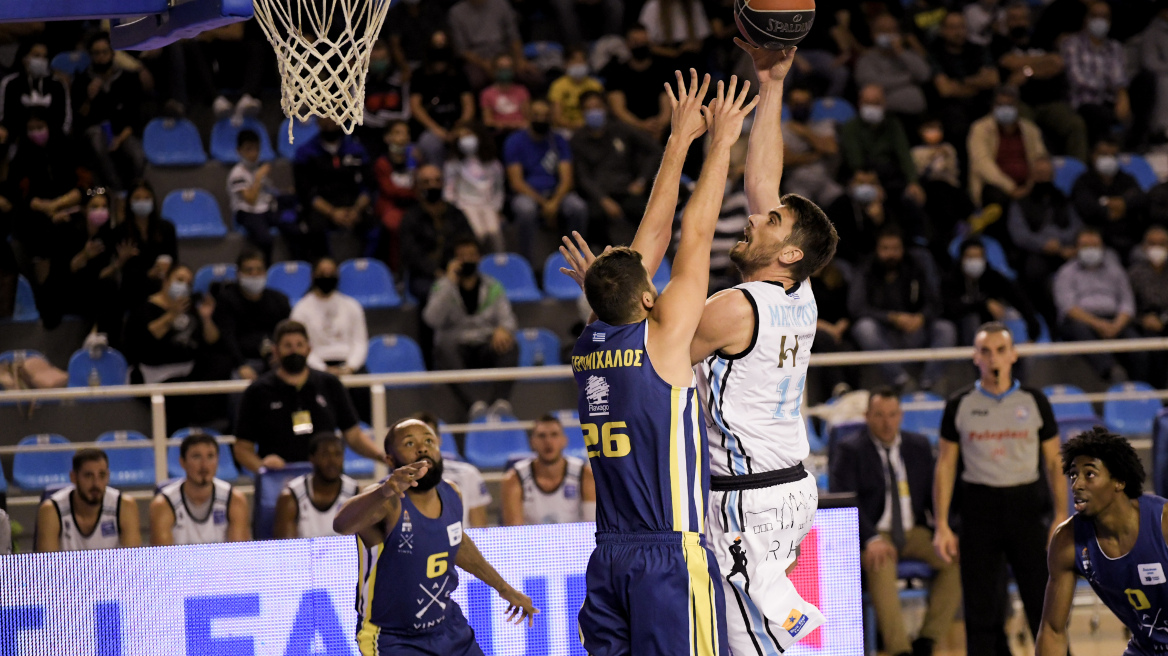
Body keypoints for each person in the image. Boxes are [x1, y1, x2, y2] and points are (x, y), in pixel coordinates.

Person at [563, 54, 841, 653]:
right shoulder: (800, 293)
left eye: (770, 223)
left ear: (788, 252)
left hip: (738, 503)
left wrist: (606, 287)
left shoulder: (723, 311)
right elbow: (726, 209)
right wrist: (770, 87)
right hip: (775, 489)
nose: (756, 217)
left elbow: (644, 278)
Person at [566, 69, 756, 656]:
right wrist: (718, 140)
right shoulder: (663, 338)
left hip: (609, 557)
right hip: (669, 553)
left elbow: (643, 247)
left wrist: (677, 142)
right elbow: (692, 236)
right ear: (648, 299)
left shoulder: (588, 343)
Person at [332, 418, 537, 653]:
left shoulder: (452, 492)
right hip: (394, 637)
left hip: (448, 627)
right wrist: (384, 490)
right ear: (390, 460)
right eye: (409, 443)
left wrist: (504, 588)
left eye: (429, 440)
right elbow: (341, 524)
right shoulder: (384, 501)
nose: (422, 447)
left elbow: (456, 541)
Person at [933, 322, 1067, 655]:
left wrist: (1062, 515)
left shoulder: (1034, 401)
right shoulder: (959, 404)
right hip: (979, 507)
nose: (994, 357)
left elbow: (1054, 462)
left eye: (1001, 350)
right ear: (975, 356)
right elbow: (946, 465)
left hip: (1027, 506)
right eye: (986, 351)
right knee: (981, 605)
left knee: (1042, 597)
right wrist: (942, 525)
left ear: (1014, 355)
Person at [830, 389, 961, 656]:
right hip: (875, 532)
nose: (887, 423)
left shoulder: (919, 446)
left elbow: (932, 495)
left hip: (914, 531)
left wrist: (945, 529)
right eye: (879, 416)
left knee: (954, 559)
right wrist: (870, 539)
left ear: (901, 416)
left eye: (892, 415)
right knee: (880, 562)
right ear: (867, 417)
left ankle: (927, 641)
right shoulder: (850, 450)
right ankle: (900, 650)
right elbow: (846, 500)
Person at [1036, 427, 1168, 655]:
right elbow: (1052, 630)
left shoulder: (1164, 523)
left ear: (1119, 481)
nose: (1076, 485)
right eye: (1073, 474)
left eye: (1089, 474)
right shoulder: (1067, 540)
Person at [234, 320, 385, 472]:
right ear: (276, 351)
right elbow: (242, 448)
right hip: (280, 478)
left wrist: (382, 456)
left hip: (325, 478)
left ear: (309, 349)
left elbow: (354, 436)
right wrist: (263, 469)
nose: (294, 351)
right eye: (288, 346)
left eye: (299, 345)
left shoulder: (330, 384)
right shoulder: (257, 391)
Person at [849, 229, 957, 390]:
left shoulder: (916, 266)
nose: (891, 254)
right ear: (877, 250)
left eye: (895, 248)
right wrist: (891, 317)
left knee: (946, 329)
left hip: (917, 330)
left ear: (903, 249)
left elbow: (935, 302)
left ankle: (929, 382)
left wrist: (921, 317)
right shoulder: (866, 270)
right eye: (885, 248)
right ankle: (900, 380)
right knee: (864, 328)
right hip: (884, 335)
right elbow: (856, 307)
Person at [422, 236, 518, 409]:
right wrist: (449, 283)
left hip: (484, 346)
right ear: (454, 260)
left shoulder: (493, 286)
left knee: (511, 345)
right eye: (462, 256)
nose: (467, 260)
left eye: (471, 255)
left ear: (479, 258)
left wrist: (504, 329)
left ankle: (500, 402)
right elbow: (431, 319)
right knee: (442, 348)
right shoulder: (442, 287)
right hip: (456, 349)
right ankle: (474, 405)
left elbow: (508, 318)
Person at [1053, 227, 1146, 382]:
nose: (1090, 250)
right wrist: (1098, 324)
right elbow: (1068, 307)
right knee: (1079, 329)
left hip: (1114, 320)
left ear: (1102, 247)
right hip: (1082, 320)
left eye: (1094, 245)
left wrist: (1116, 325)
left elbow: (1127, 303)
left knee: (1139, 346)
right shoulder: (1066, 272)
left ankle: (1141, 389)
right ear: (1076, 248)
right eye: (1085, 246)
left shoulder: (1115, 270)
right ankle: (1110, 371)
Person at [569, 90, 662, 245]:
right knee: (593, 216)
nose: (594, 112)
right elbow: (583, 176)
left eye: (597, 107)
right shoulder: (577, 139)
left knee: (648, 211)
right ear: (582, 112)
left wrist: (641, 180)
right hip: (598, 195)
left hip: (627, 190)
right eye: (588, 108)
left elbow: (654, 151)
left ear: (605, 108)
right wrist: (603, 199)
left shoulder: (621, 129)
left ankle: (650, 258)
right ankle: (600, 261)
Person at [503, 99, 588, 262]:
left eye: (545, 115)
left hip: (556, 193)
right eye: (536, 115)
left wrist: (554, 202)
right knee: (525, 209)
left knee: (578, 207)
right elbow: (517, 182)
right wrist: (545, 204)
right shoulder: (514, 141)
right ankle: (526, 261)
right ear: (528, 116)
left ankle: (576, 259)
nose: (541, 119)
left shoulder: (559, 140)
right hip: (528, 194)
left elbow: (567, 179)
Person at [71, 32, 146, 190]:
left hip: (123, 131)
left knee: (137, 153)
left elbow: (135, 116)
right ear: (91, 55)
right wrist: (88, 98)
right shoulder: (82, 80)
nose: (101, 57)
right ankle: (117, 190)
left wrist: (119, 139)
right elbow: (79, 118)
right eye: (96, 53)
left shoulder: (128, 79)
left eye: (105, 52)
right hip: (93, 132)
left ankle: (136, 189)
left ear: (112, 53)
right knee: (97, 139)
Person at [292, 117, 375, 259]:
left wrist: (356, 210)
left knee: (376, 225)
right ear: (317, 121)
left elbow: (369, 186)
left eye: (334, 117)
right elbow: (306, 192)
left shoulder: (357, 150)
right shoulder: (305, 152)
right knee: (313, 227)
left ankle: (366, 266)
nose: (330, 121)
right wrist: (332, 212)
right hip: (323, 206)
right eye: (325, 117)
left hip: (352, 204)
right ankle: (326, 269)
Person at [123, 264, 220, 385]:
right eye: (179, 280)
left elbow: (212, 340)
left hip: (190, 369)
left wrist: (206, 318)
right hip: (158, 373)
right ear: (165, 281)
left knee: (221, 364)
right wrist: (173, 314)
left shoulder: (191, 307)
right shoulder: (144, 309)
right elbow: (150, 337)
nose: (183, 285)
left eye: (188, 283)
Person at [150, 431, 250, 545]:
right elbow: (164, 559)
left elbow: (238, 556)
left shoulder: (234, 500)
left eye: (210, 456)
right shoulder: (163, 504)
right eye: (196, 457)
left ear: (218, 460)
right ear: (182, 462)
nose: (204, 465)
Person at [35, 449, 141, 551]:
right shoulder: (52, 510)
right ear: (73, 477)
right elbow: (48, 567)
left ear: (108, 476)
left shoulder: (124, 506)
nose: (96, 483)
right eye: (88, 476)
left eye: (102, 475)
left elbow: (132, 564)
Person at [399, 164, 474, 307]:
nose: (433, 185)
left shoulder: (456, 214)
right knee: (434, 292)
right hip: (424, 276)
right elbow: (410, 254)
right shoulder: (411, 217)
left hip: (456, 271)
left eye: (437, 180)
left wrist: (456, 266)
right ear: (419, 186)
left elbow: (469, 242)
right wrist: (435, 271)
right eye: (427, 182)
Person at [501, 414, 596, 525]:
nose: (548, 441)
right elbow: (515, 533)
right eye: (542, 436)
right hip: (531, 542)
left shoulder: (585, 475)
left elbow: (592, 527)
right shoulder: (514, 479)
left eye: (554, 435)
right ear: (532, 442)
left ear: (564, 441)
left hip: (575, 542)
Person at [943, 238, 1041, 344]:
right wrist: (984, 303)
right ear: (961, 259)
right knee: (971, 319)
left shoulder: (994, 278)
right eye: (970, 257)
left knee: (1006, 321)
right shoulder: (950, 280)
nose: (975, 261)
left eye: (978, 257)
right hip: (959, 330)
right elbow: (951, 309)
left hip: (990, 332)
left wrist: (1033, 333)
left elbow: (1021, 302)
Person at [212, 249, 291, 380]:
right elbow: (227, 338)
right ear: (239, 274)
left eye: (259, 270)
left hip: (274, 359)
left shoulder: (279, 300)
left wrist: (281, 354)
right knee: (237, 379)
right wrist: (241, 365)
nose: (254, 274)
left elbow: (286, 332)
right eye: (249, 270)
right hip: (241, 361)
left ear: (265, 273)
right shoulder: (227, 300)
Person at [967, 86, 1048, 211]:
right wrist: (1010, 188)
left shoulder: (1030, 129)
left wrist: (1029, 187)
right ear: (993, 106)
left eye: (1009, 105)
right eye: (1000, 105)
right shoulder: (980, 129)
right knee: (996, 197)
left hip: (1028, 185)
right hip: (997, 185)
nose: (1005, 109)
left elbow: (1040, 157)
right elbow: (982, 163)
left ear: (1017, 107)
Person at [1061, 2, 1130, 146]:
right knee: (1099, 113)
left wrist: (1122, 96)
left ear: (1110, 22)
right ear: (1086, 19)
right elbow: (1078, 79)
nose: (1100, 21)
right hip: (1083, 103)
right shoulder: (1072, 44)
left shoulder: (1114, 47)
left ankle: (1139, 145)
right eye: (1095, 16)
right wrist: (1113, 88)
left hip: (1109, 101)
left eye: (1104, 17)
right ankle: (1099, 154)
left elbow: (1119, 77)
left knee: (1145, 84)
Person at [290, 257, 368, 377]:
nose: (327, 276)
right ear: (313, 275)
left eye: (331, 273)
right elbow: (300, 346)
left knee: (363, 386)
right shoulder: (301, 310)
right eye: (322, 273)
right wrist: (323, 369)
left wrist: (350, 367)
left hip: (348, 363)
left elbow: (360, 343)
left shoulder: (352, 305)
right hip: (315, 365)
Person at [1070, 138, 1148, 260]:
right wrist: (1110, 209)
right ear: (1092, 155)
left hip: (1130, 237)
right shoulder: (1083, 181)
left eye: (1113, 155)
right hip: (1101, 240)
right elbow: (1086, 208)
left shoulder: (1127, 179)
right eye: (1103, 154)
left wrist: (1124, 204)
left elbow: (1140, 199)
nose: (1108, 159)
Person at [273, 432, 360, 539]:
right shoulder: (290, 497)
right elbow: (287, 551)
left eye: (337, 454)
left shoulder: (356, 494)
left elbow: (367, 546)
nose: (332, 461)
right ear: (312, 458)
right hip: (304, 555)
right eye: (325, 455)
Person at [412, 411, 491, 528]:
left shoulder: (468, 474)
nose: (422, 447)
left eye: (428, 439)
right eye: (413, 441)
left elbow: (480, 530)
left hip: (460, 543)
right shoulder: (397, 483)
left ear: (439, 440)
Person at [410, 31, 475, 166]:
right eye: (436, 44)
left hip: (457, 125)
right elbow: (415, 106)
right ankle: (437, 179)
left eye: (443, 43)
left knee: (469, 141)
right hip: (432, 128)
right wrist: (437, 130)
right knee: (429, 143)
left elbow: (468, 104)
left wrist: (460, 127)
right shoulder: (419, 74)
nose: (439, 48)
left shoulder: (458, 72)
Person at [112, 179, 178, 313]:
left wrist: (166, 268)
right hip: (133, 287)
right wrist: (147, 274)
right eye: (137, 198)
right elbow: (126, 270)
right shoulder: (121, 231)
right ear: (129, 202)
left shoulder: (166, 228)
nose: (142, 202)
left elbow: (174, 258)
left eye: (147, 198)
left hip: (160, 284)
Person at [854, 14, 932, 119]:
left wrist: (901, 52)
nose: (890, 35)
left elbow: (924, 75)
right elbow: (870, 83)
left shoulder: (907, 54)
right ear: (873, 34)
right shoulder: (867, 59)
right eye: (884, 31)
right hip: (887, 118)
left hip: (919, 116)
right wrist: (908, 78)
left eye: (893, 30)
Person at [443, 121, 505, 252]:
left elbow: (498, 189)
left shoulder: (493, 164)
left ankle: (499, 263)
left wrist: (497, 208)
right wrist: (452, 209)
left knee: (494, 232)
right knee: (478, 233)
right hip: (465, 205)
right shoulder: (453, 165)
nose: (466, 139)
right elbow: (449, 190)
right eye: (461, 136)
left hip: (488, 204)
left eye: (468, 134)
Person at [228, 129, 289, 260]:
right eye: (248, 149)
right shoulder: (237, 174)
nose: (253, 154)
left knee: (291, 226)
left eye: (256, 149)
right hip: (246, 213)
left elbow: (271, 191)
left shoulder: (257, 168)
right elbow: (250, 199)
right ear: (239, 150)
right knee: (265, 239)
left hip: (264, 209)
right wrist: (258, 177)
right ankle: (265, 270)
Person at [601, 25, 671, 139]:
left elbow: (668, 105)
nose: (640, 46)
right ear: (627, 44)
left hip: (660, 130)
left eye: (644, 42)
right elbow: (619, 110)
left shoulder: (663, 70)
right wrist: (641, 126)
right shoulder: (616, 73)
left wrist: (659, 125)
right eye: (636, 42)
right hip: (629, 131)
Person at [446, 0, 533, 90]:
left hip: (503, 53)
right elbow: (462, 49)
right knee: (476, 79)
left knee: (531, 75)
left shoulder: (501, 4)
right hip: (477, 58)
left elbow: (514, 36)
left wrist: (520, 59)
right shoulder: (456, 12)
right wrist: (485, 64)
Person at [781, 84, 843, 207]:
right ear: (789, 105)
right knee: (799, 209)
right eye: (796, 103)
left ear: (811, 104)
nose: (801, 107)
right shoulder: (781, 128)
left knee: (842, 202)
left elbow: (831, 149)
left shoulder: (824, 125)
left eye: (804, 103)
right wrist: (814, 156)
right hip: (797, 184)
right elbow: (785, 159)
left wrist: (804, 132)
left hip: (824, 181)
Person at [372, 120, 418, 273]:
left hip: (412, 206)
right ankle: (395, 271)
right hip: (391, 206)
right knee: (396, 226)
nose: (403, 137)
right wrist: (412, 193)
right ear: (387, 138)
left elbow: (421, 184)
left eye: (406, 133)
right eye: (398, 133)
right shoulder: (382, 163)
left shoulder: (414, 161)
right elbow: (389, 190)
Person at [0, 40, 71, 136]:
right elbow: (4, 116)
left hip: (53, 139)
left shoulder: (58, 84)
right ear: (24, 59)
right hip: (18, 138)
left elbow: (65, 117)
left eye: (44, 57)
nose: (41, 60)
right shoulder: (10, 83)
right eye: (36, 56)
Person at [549, 48, 605, 131]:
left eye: (581, 61)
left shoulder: (595, 85)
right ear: (566, 64)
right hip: (567, 129)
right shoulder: (558, 85)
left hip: (594, 127)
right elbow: (557, 118)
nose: (578, 65)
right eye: (574, 62)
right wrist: (575, 126)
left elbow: (604, 110)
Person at [478, 54, 530, 134]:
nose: (505, 70)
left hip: (521, 132)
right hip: (498, 134)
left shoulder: (522, 90)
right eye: (501, 68)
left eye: (508, 68)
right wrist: (508, 125)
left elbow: (528, 118)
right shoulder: (487, 93)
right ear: (495, 69)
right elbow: (488, 121)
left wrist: (513, 125)